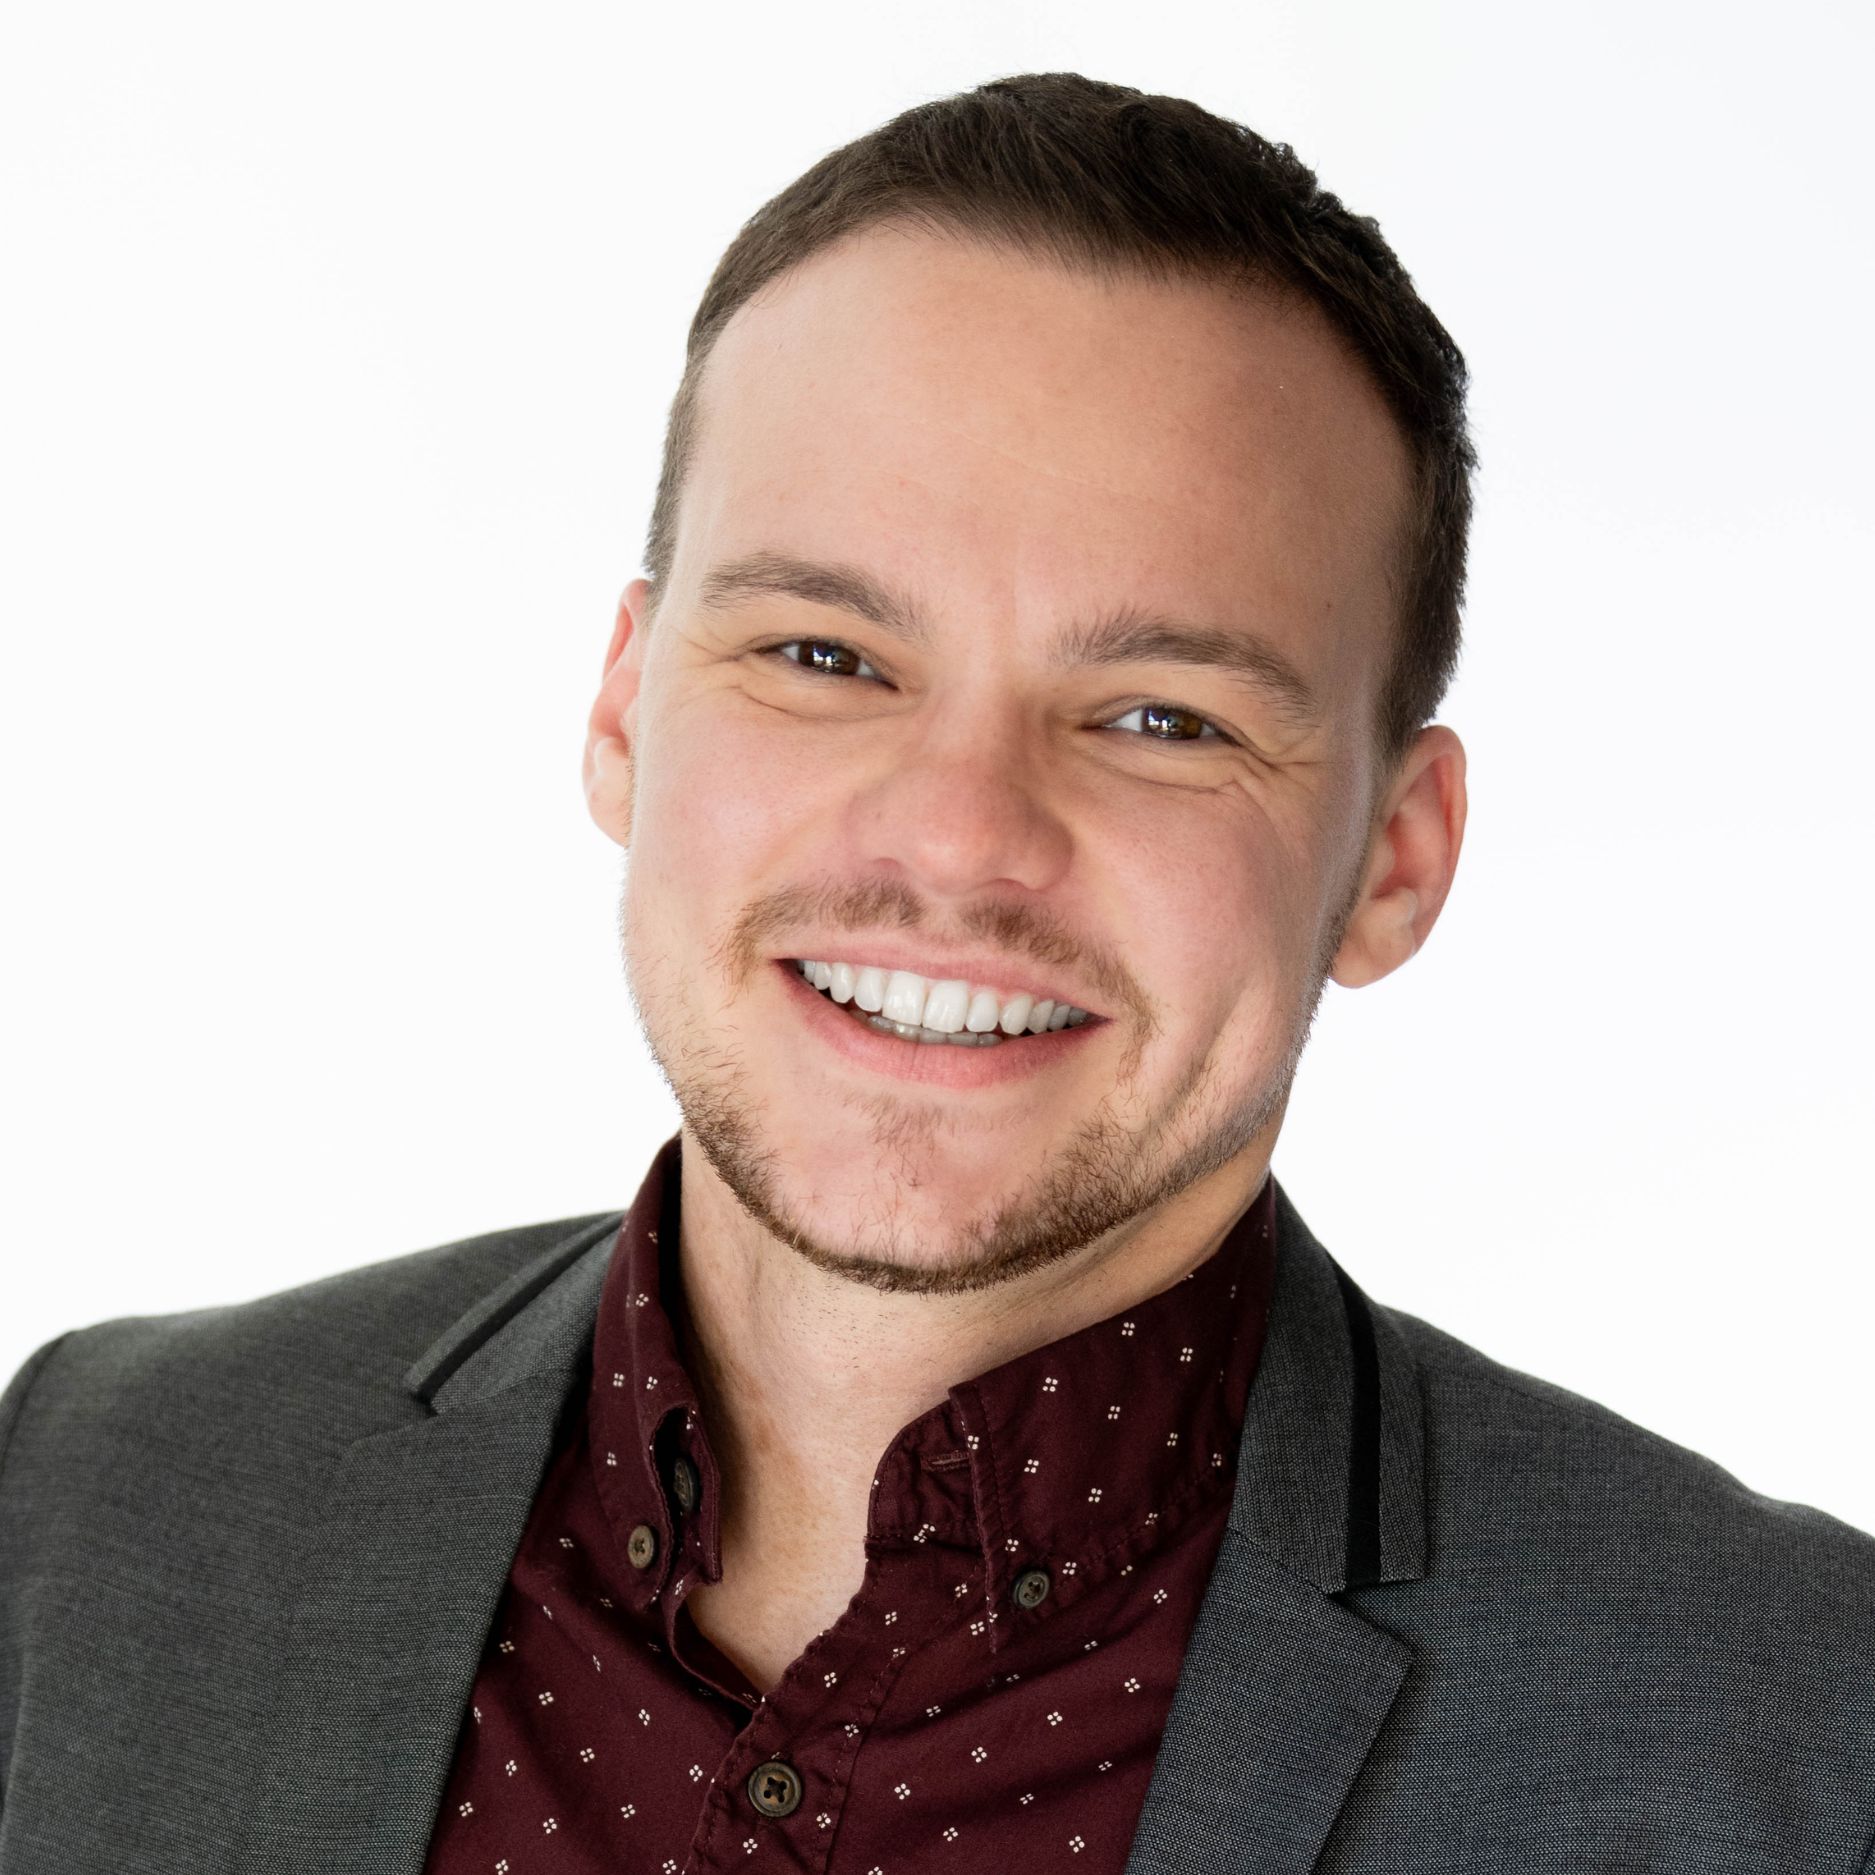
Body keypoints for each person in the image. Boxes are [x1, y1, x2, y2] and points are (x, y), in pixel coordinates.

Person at [1, 70, 1870, 1875]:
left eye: (1157, 715)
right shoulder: (91, 1504)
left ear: (1397, 858)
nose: (961, 835)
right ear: (623, 712)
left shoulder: (1794, 1745)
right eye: (824, 656)